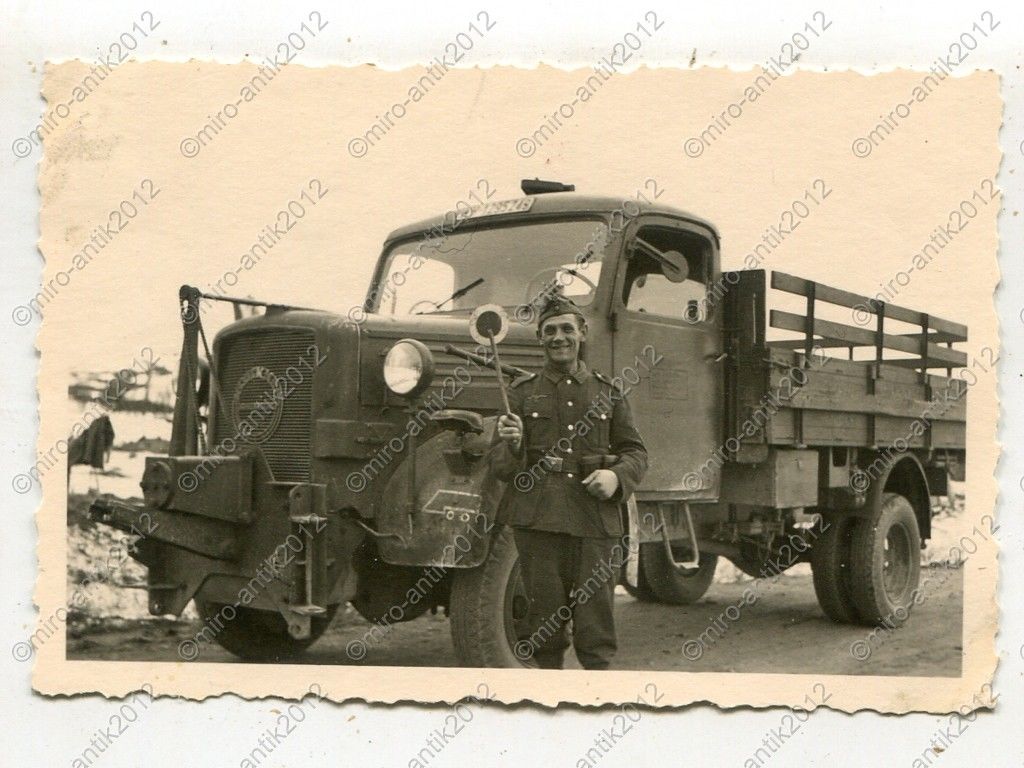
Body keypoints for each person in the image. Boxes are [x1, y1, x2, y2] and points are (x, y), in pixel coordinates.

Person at [489, 294, 647, 670]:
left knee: (596, 627)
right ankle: (551, 701)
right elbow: (501, 468)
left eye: (566, 329)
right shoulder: (521, 394)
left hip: (595, 520)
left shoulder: (608, 393)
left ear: (582, 333)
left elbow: (636, 453)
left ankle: (595, 701)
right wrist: (512, 445)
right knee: (544, 626)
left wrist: (615, 476)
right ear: (540, 339)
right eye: (549, 331)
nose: (558, 338)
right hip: (539, 522)